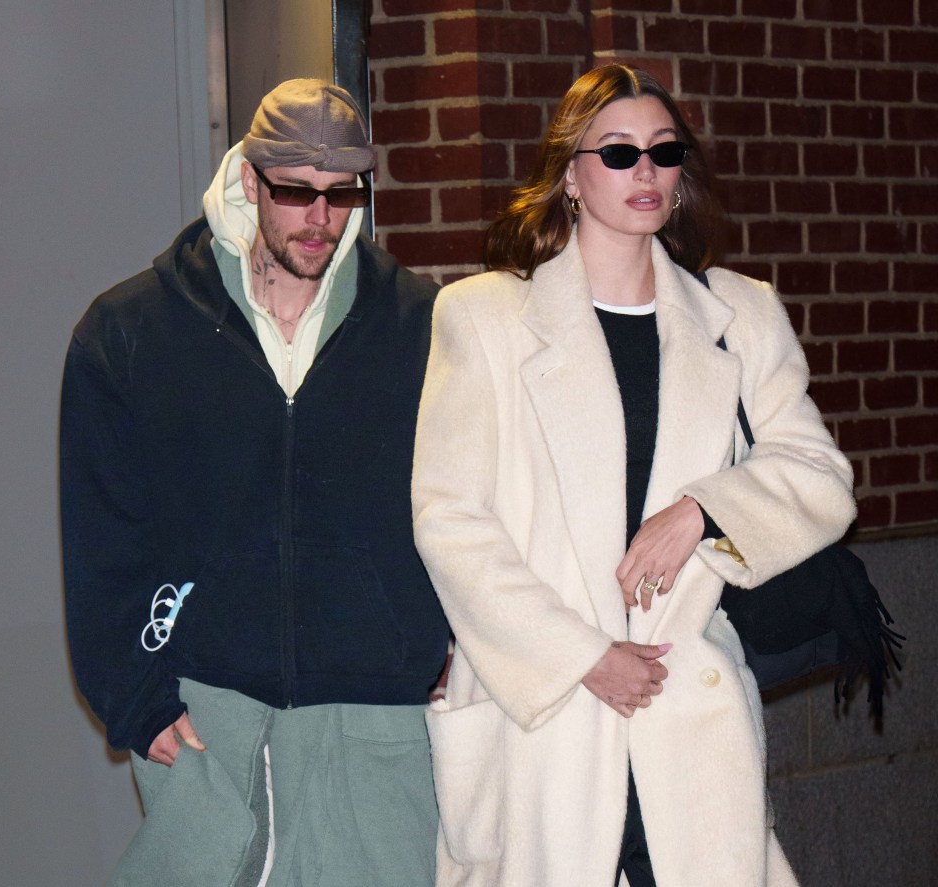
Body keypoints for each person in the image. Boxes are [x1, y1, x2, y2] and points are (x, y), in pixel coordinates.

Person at [411, 63, 856, 887]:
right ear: (570, 177)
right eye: (617, 154)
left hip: (684, 715)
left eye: (664, 150)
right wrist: (581, 654)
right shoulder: (483, 319)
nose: (644, 171)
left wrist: (704, 509)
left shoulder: (738, 314)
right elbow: (450, 519)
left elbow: (821, 476)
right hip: (544, 716)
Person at [60, 79, 449, 886]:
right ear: (247, 179)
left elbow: (461, 505)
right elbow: (101, 534)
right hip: (207, 718)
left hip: (377, 722)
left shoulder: (420, 325)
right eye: (296, 193)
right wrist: (136, 697)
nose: (321, 219)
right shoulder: (130, 331)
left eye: (342, 194)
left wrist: (437, 650)